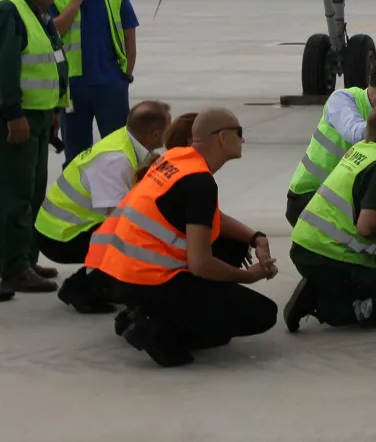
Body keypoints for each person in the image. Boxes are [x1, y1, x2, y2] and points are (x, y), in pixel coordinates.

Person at [93, 107, 279, 366]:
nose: (243, 140)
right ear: (223, 138)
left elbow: (209, 217)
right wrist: (249, 276)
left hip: (123, 276)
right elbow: (200, 264)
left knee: (233, 247)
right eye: (239, 133)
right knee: (263, 314)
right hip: (149, 281)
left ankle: (142, 313)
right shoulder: (199, 183)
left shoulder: (180, 159)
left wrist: (256, 238)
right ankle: (158, 331)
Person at [282, 97, 376, 332]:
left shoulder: (363, 149)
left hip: (308, 244)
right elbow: (366, 229)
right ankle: (322, 303)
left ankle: (331, 287)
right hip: (326, 254)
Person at [34, 100, 171, 313]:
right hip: (60, 237)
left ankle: (102, 282)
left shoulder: (125, 141)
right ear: (154, 135)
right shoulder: (115, 160)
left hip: (66, 228)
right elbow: (117, 219)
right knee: (132, 238)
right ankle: (80, 288)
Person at [284, 53, 376, 227]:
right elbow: (355, 133)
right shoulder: (343, 99)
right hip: (311, 194)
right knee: (366, 227)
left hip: (348, 201)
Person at [1, 0, 70, 300]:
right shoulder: (9, 11)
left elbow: (53, 61)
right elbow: (5, 69)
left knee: (33, 193)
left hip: (41, 116)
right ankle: (12, 268)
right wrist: (13, 114)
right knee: (14, 196)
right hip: (20, 118)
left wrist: (57, 108)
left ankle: (26, 260)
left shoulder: (41, 13)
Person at [51, 0, 139, 163]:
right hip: (73, 86)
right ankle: (77, 198)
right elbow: (52, 33)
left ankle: (119, 197)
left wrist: (125, 77)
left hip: (110, 85)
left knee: (119, 151)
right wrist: (75, 3)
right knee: (76, 155)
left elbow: (130, 40)